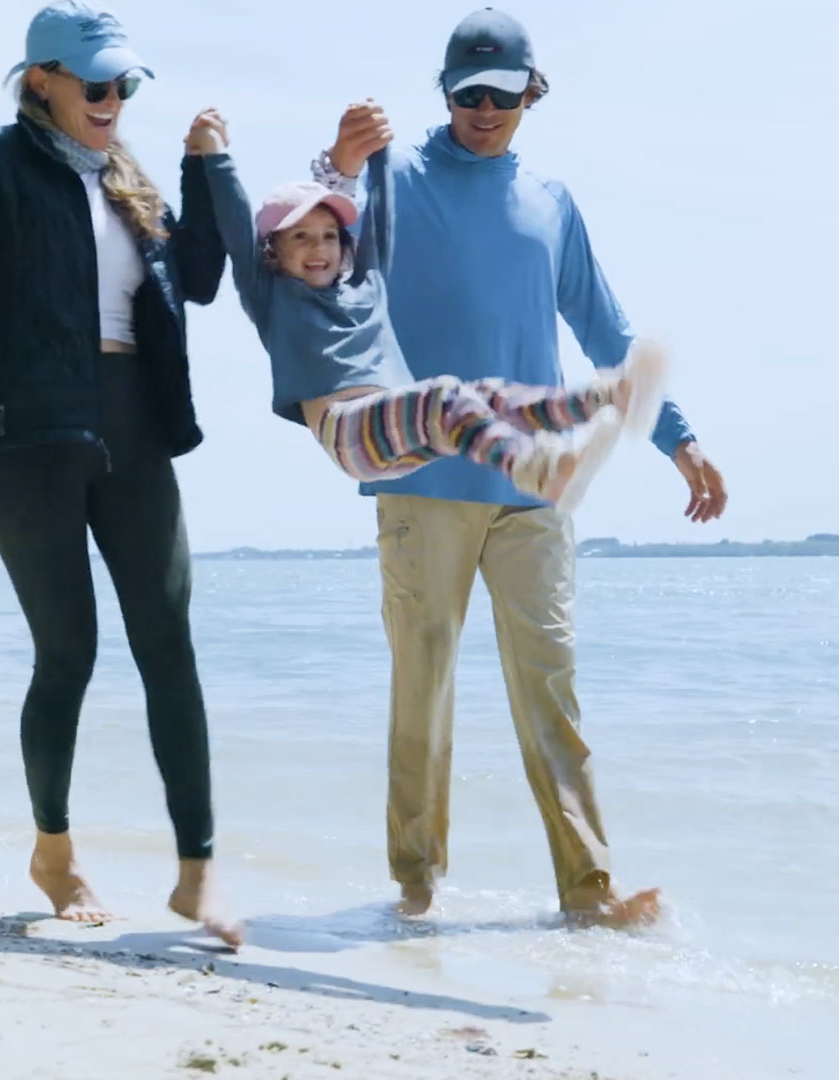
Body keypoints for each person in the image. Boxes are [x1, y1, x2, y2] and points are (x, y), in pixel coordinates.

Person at [309, 9, 731, 927]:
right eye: (467, 93)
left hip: (537, 487)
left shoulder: (553, 201)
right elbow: (310, 247)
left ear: (533, 93)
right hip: (422, 481)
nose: (484, 110)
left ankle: (588, 891)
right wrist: (337, 162)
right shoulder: (392, 177)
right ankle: (415, 892)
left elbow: (608, 331)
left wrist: (679, 437)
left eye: (502, 94)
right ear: (445, 92)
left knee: (552, 687)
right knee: (423, 691)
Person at [0, 0, 240, 947]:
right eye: (97, 83)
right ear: (43, 81)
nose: (114, 99)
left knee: (169, 641)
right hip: (27, 436)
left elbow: (198, 280)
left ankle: (197, 872)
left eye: (126, 85)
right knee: (69, 651)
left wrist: (204, 169)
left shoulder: (128, 178)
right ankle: (55, 853)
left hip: (136, 428)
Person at [181, 109, 667, 512]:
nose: (318, 248)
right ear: (273, 252)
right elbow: (235, 223)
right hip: (347, 431)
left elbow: (382, 218)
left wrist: (379, 154)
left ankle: (610, 397)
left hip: (402, 433)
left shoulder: (367, 285)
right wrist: (213, 151)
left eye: (329, 236)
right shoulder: (272, 294)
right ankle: (538, 469)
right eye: (301, 237)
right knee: (445, 395)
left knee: (489, 395)